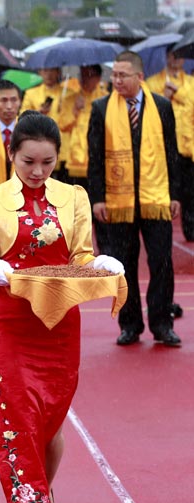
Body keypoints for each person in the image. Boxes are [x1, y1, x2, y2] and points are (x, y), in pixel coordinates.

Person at [0, 110, 124, 503]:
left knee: (49, 419)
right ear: (11, 154)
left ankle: (41, 492)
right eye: (28, 163)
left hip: (57, 321)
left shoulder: (73, 196)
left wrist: (99, 265)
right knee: (16, 416)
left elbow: (80, 253)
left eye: (47, 163)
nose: (38, 173)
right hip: (10, 319)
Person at [87, 50, 182, 347]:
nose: (116, 80)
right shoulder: (101, 108)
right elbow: (96, 157)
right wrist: (98, 197)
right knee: (123, 264)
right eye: (113, 75)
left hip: (156, 197)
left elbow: (171, 153)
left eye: (122, 75)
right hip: (118, 200)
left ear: (139, 77)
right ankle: (129, 324)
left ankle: (162, 323)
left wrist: (175, 194)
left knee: (161, 262)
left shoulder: (162, 107)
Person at [146, 48, 194, 241]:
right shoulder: (153, 82)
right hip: (163, 145)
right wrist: (165, 97)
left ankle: (190, 229)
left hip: (188, 146)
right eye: (173, 55)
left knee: (190, 191)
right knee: (166, 190)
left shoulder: (190, 83)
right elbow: (149, 110)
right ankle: (160, 229)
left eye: (180, 56)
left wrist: (179, 93)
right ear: (167, 57)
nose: (176, 59)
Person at [20, 68, 71, 182]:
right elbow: (22, 118)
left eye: (52, 70)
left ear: (58, 72)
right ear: (40, 72)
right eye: (45, 70)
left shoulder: (68, 93)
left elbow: (70, 122)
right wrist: (38, 113)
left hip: (63, 149)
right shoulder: (31, 93)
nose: (48, 74)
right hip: (39, 147)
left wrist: (65, 111)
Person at [62, 66, 108, 190]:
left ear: (98, 78)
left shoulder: (106, 100)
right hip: (75, 159)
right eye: (82, 75)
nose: (84, 79)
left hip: (98, 158)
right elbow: (62, 125)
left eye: (89, 75)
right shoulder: (70, 98)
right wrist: (75, 110)